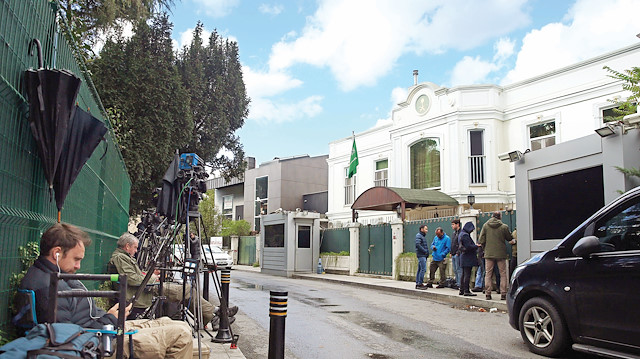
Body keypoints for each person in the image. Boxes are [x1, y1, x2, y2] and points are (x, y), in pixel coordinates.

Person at [19, 223, 193, 359]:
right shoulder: (48, 286)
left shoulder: (54, 276)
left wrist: (110, 317)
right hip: (99, 341)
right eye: (76, 259)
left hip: (103, 329)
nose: (78, 266)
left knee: (176, 324)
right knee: (180, 334)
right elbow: (66, 339)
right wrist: (110, 319)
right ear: (57, 253)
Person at [108, 233, 237, 325]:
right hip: (142, 292)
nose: (136, 251)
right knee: (186, 290)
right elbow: (131, 279)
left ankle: (214, 315)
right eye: (135, 247)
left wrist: (149, 274)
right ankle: (217, 313)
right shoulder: (120, 257)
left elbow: (134, 275)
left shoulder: (123, 257)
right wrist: (152, 277)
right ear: (127, 246)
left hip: (145, 288)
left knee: (187, 292)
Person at [478, 211, 513, 300]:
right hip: (501, 253)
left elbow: (481, 240)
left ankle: (488, 294)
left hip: (489, 253)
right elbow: (509, 238)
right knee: (503, 274)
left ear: (492, 216)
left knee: (488, 274)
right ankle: (503, 294)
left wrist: (485, 248)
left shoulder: (485, 226)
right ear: (500, 217)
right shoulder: (504, 227)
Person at [458, 221, 478, 296]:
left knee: (463, 274)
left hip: (463, 257)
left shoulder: (461, 234)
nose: (472, 231)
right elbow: (468, 246)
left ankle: (462, 289)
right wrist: (476, 246)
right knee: (467, 274)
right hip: (467, 257)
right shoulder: (465, 235)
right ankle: (466, 290)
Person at [415, 225, 429, 290]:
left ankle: (418, 283)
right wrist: (425, 251)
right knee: (423, 269)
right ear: (422, 229)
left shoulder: (421, 236)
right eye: (426, 229)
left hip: (422, 255)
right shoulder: (419, 236)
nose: (427, 230)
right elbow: (418, 244)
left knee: (420, 269)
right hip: (421, 255)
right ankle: (420, 283)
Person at [450, 219, 462, 290]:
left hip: (457, 254)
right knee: (455, 269)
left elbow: (460, 243)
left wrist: (458, 252)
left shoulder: (461, 233)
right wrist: (451, 252)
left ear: (457, 224)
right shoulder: (454, 233)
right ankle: (457, 283)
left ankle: (460, 284)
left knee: (458, 269)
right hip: (454, 253)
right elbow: (453, 243)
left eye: (453, 224)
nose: (452, 226)